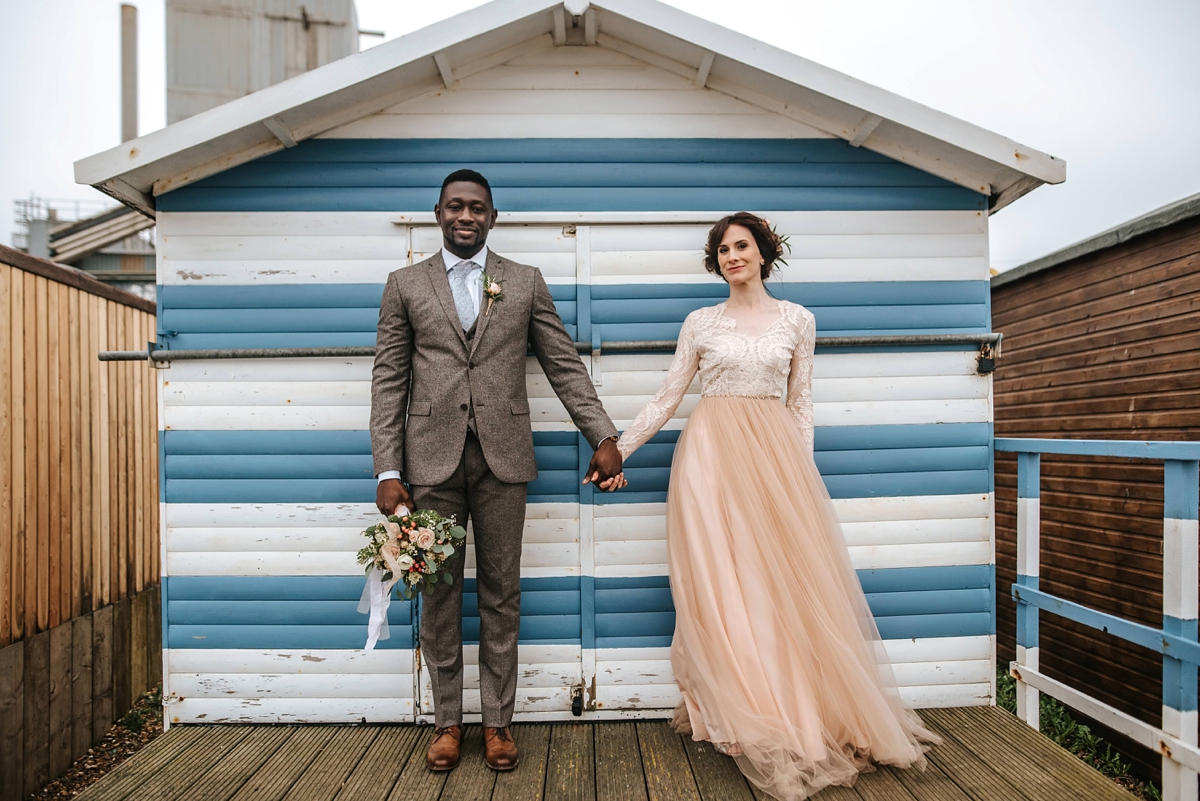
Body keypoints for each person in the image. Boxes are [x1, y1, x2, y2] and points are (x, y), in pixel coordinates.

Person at [603, 212, 940, 799]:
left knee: (772, 581)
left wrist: (799, 479)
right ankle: (736, 716)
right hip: (708, 458)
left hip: (773, 460)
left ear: (764, 253)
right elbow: (667, 398)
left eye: (742, 245)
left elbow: (801, 402)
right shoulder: (700, 322)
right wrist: (619, 450)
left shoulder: (798, 321)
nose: (733, 256)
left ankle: (788, 709)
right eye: (723, 249)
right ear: (716, 262)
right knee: (717, 582)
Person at [370, 170, 623, 772]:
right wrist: (387, 468)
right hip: (428, 463)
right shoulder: (405, 284)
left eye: (477, 207)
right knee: (437, 593)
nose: (466, 215)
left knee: (501, 593)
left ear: (492, 216)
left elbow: (563, 364)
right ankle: (449, 724)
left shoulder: (524, 282)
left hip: (504, 459)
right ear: (437, 213)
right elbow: (389, 379)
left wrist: (604, 434)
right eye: (455, 206)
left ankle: (499, 724)